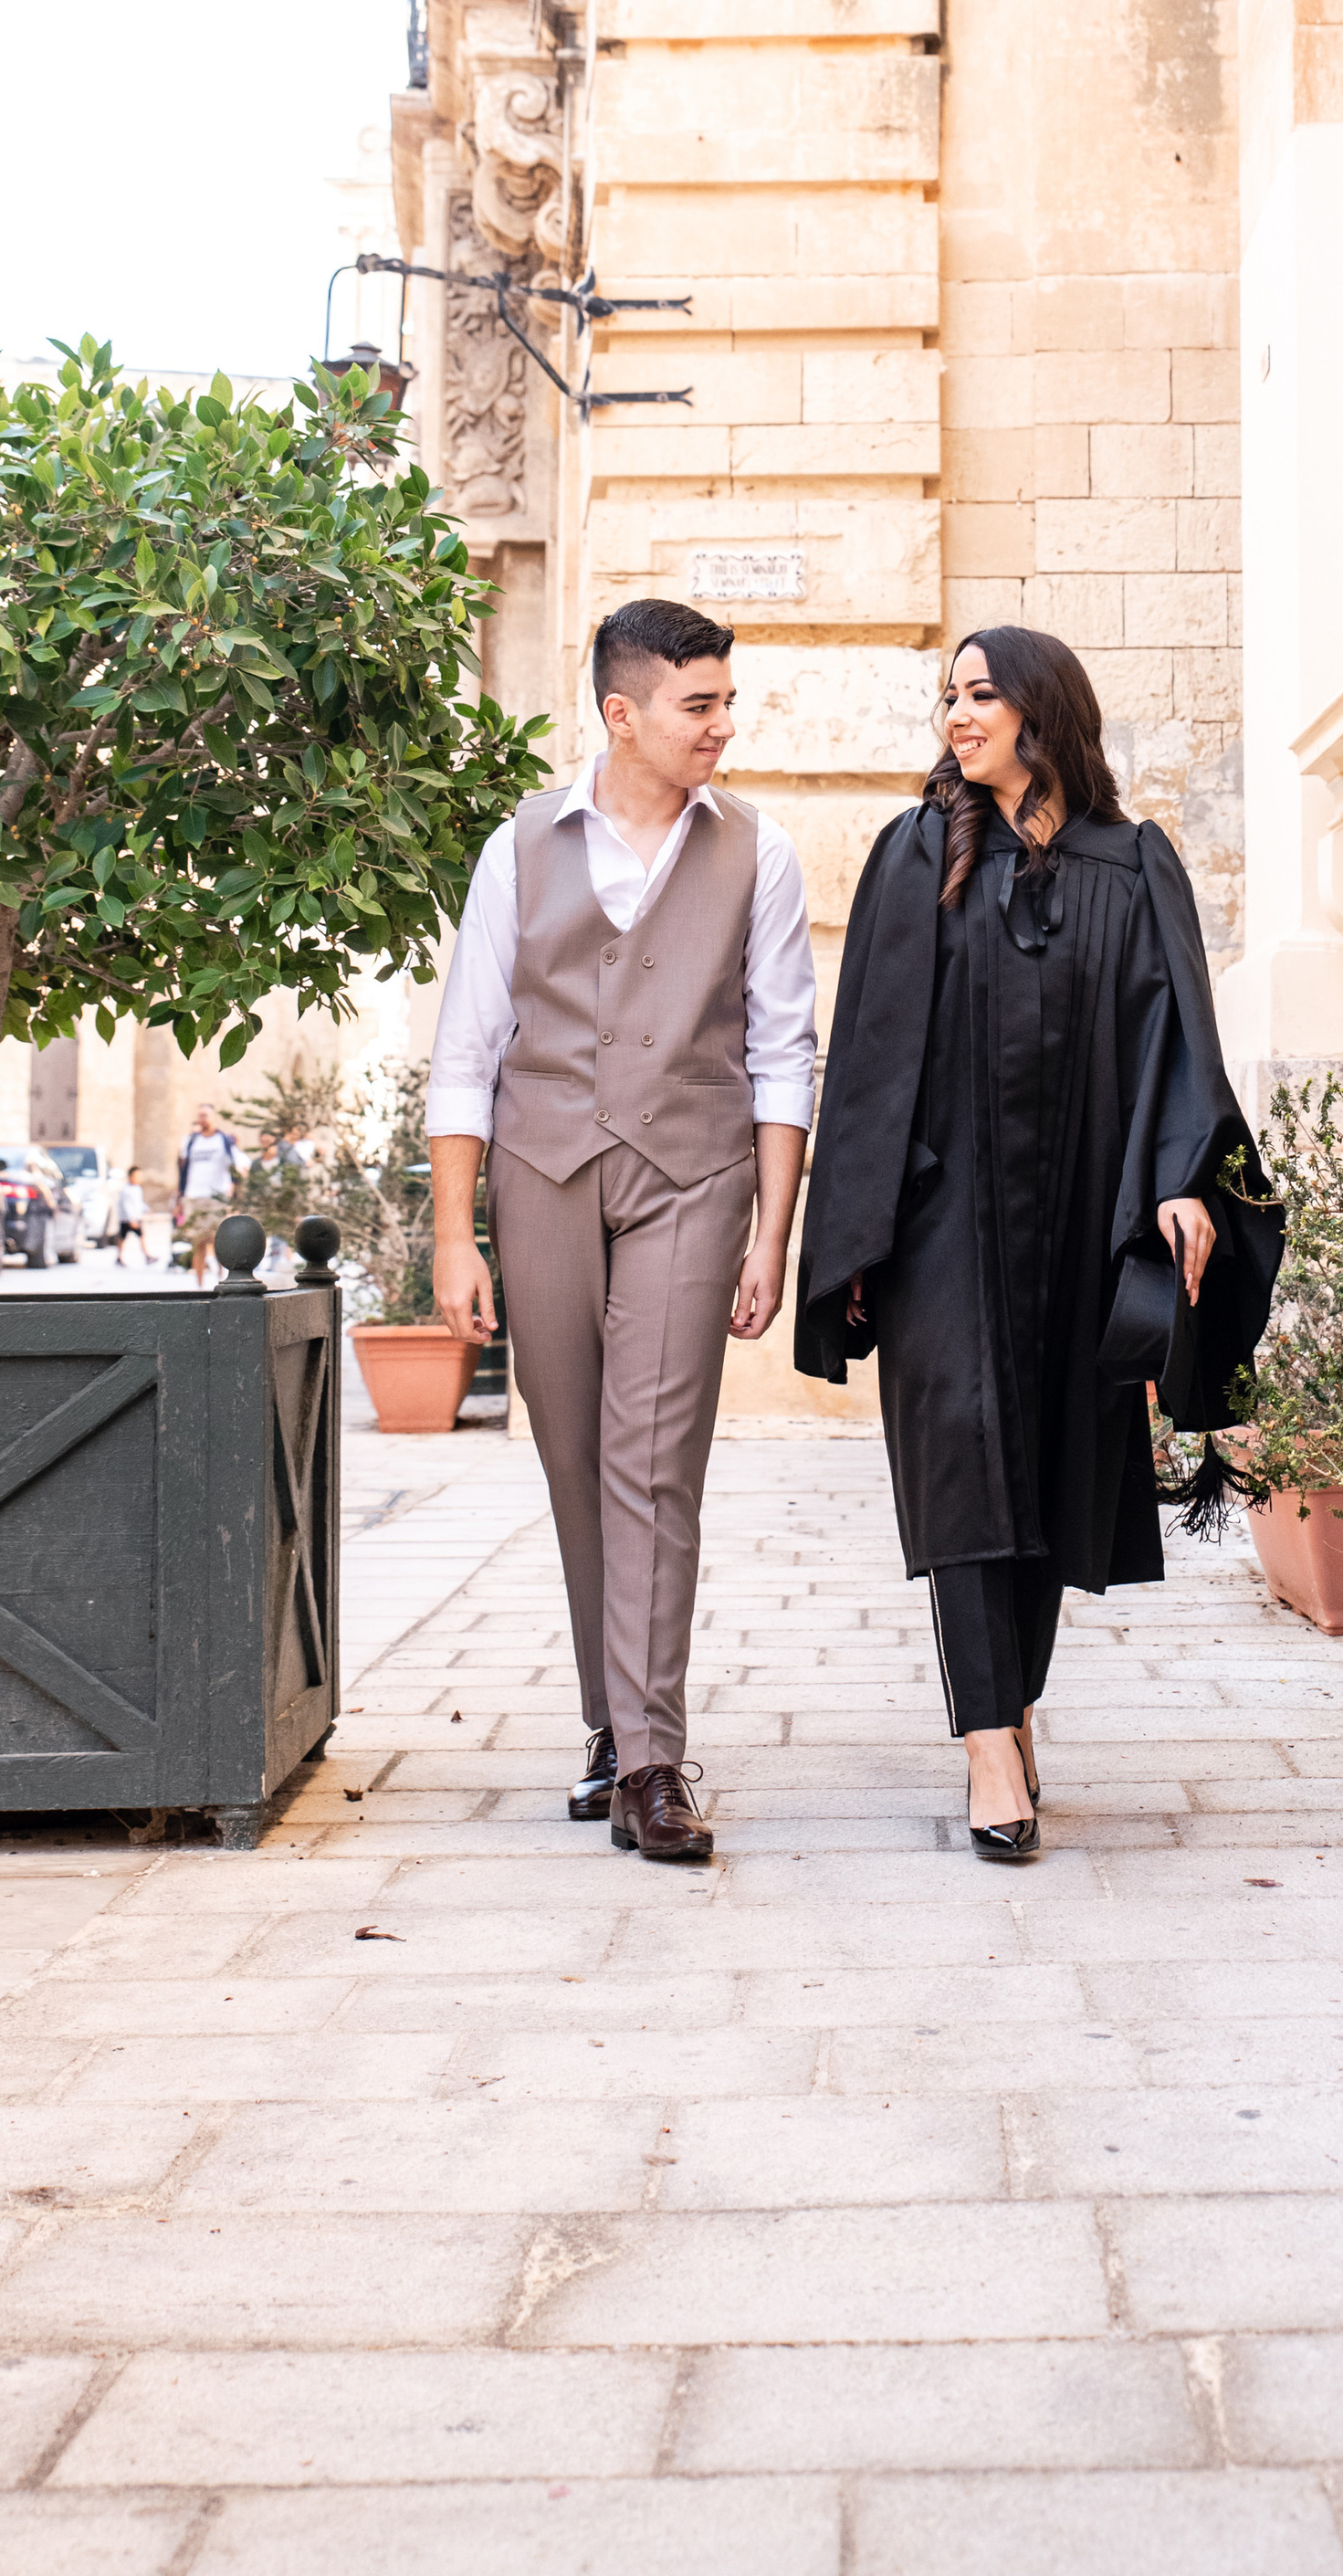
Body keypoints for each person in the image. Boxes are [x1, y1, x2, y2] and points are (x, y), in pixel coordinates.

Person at [794, 626, 1281, 1860]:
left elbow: (1181, 1036)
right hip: (938, 1218)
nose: (955, 717)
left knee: (1056, 1478)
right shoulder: (919, 856)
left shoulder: (1135, 863)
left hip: (1084, 1213)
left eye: (979, 695)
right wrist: (854, 1233)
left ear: (1042, 715)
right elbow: (866, 1057)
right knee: (962, 1463)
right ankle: (989, 1754)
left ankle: (1012, 1710)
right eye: (947, 697)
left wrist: (1181, 1184)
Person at [428, 597, 816, 1863]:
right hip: (539, 1174)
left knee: (654, 1456)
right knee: (574, 1456)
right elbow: (468, 1049)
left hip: (692, 1179)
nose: (722, 725)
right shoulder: (520, 848)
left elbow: (779, 1053)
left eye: (724, 700)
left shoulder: (757, 853)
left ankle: (652, 1760)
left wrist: (771, 1233)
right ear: (622, 714)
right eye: (698, 704)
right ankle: (611, 1726)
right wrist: (452, 1232)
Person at [173, 1104, 241, 1285]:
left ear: (213, 1117)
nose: (203, 1119)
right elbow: (183, 1169)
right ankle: (200, 1284)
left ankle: (222, 1279)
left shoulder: (223, 1140)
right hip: (195, 1195)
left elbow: (234, 1168)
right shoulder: (190, 1141)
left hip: (217, 1196)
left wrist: (234, 1196)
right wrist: (180, 1196)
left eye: (206, 1115)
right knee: (198, 1241)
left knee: (218, 1239)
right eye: (200, 1116)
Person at [114, 1167, 149, 1267]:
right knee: (123, 1238)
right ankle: (119, 1257)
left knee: (139, 1236)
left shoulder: (138, 1189)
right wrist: (131, 1219)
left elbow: (139, 1203)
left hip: (135, 1217)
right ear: (130, 1177)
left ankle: (146, 1255)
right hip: (127, 1219)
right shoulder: (125, 1190)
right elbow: (127, 1206)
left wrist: (147, 1209)